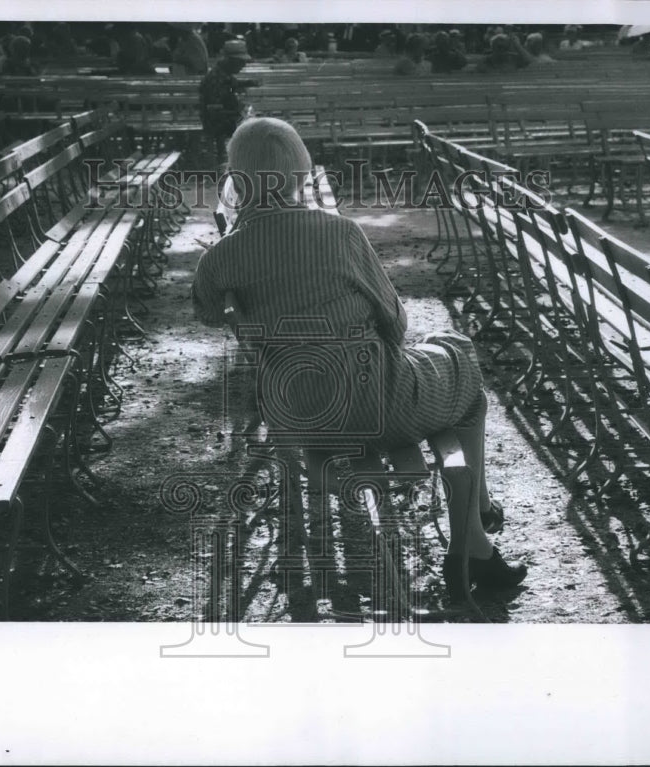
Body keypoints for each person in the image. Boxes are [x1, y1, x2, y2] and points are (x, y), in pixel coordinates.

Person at [191, 117, 529, 598]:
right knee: (461, 364)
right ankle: (475, 537)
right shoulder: (340, 233)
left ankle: (478, 533)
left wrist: (227, 250)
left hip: (301, 418)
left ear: (237, 178)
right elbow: (396, 324)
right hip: (376, 408)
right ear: (300, 173)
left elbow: (207, 311)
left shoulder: (222, 257)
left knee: (439, 361)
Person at [198, 39, 259, 162]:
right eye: (241, 62)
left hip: (225, 119)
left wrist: (248, 83)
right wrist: (239, 112)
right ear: (231, 61)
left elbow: (232, 84)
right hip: (219, 123)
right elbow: (214, 110)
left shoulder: (222, 73)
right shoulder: (215, 79)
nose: (243, 66)